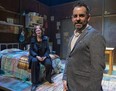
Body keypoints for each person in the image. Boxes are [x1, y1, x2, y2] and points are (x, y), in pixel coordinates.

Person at [62, 1, 106, 91]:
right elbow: (68, 58)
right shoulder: (72, 37)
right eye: (75, 16)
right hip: (71, 85)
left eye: (81, 15)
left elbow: (97, 70)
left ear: (88, 17)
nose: (78, 19)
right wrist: (65, 77)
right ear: (72, 18)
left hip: (85, 87)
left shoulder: (95, 36)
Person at [28, 25, 53, 91]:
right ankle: (34, 83)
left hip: (43, 56)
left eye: (39, 30)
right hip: (35, 56)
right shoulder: (33, 39)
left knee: (48, 63)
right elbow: (31, 50)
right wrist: (36, 56)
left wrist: (45, 56)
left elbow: (48, 49)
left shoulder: (45, 39)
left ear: (41, 31)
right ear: (35, 32)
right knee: (34, 61)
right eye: (36, 30)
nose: (38, 31)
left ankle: (48, 78)